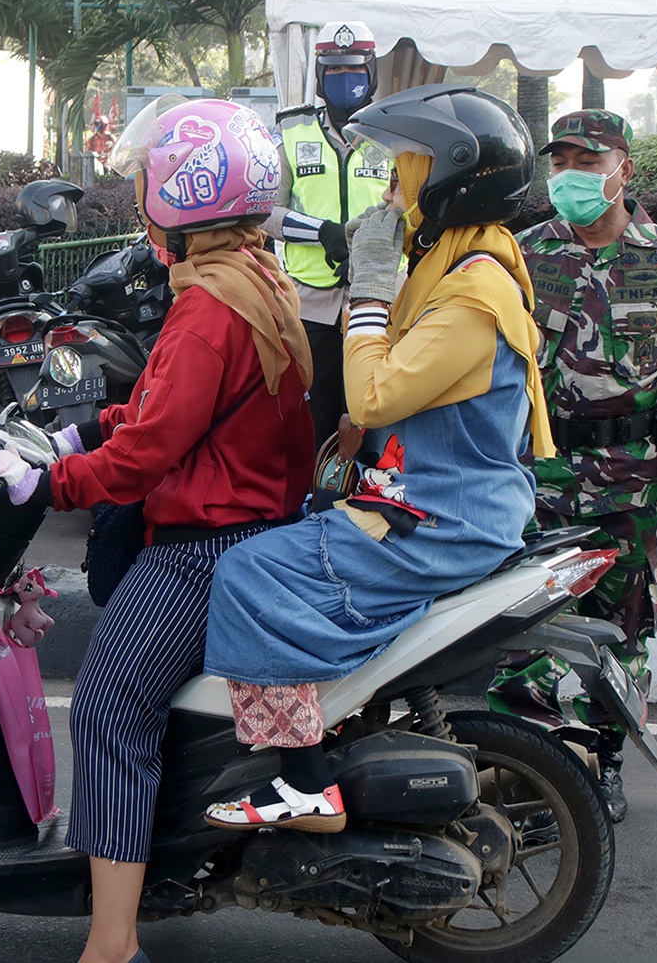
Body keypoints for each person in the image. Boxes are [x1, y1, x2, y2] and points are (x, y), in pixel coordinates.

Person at [0, 96, 314, 963]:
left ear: (185, 192)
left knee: (109, 707)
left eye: (144, 181)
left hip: (207, 551)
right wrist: (79, 430)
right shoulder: (256, 278)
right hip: (256, 531)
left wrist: (48, 481)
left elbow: (151, 454)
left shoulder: (208, 307)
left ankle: (113, 941)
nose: (136, 199)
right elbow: (168, 410)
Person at [200, 85, 554, 830]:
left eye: (405, 175)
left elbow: (369, 396)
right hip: (425, 497)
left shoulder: (473, 292)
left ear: (449, 181)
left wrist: (364, 290)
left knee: (246, 572)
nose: (392, 192)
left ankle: (302, 781)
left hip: (439, 518)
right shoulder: (453, 268)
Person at [486, 110, 657, 824]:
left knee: (620, 626)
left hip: (626, 479)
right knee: (523, 622)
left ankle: (603, 759)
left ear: (625, 168)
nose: (569, 172)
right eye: (560, 158)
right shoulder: (518, 253)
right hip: (534, 475)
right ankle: (531, 768)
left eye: (586, 159)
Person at [268, 20, 393, 450]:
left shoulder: (396, 135)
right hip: (312, 307)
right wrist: (320, 232)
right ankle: (316, 508)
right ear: (319, 77)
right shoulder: (291, 130)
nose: (345, 80)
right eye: (334, 71)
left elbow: (412, 207)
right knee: (313, 423)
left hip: (378, 299)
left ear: (372, 72)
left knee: (376, 418)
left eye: (354, 70)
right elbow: (262, 211)